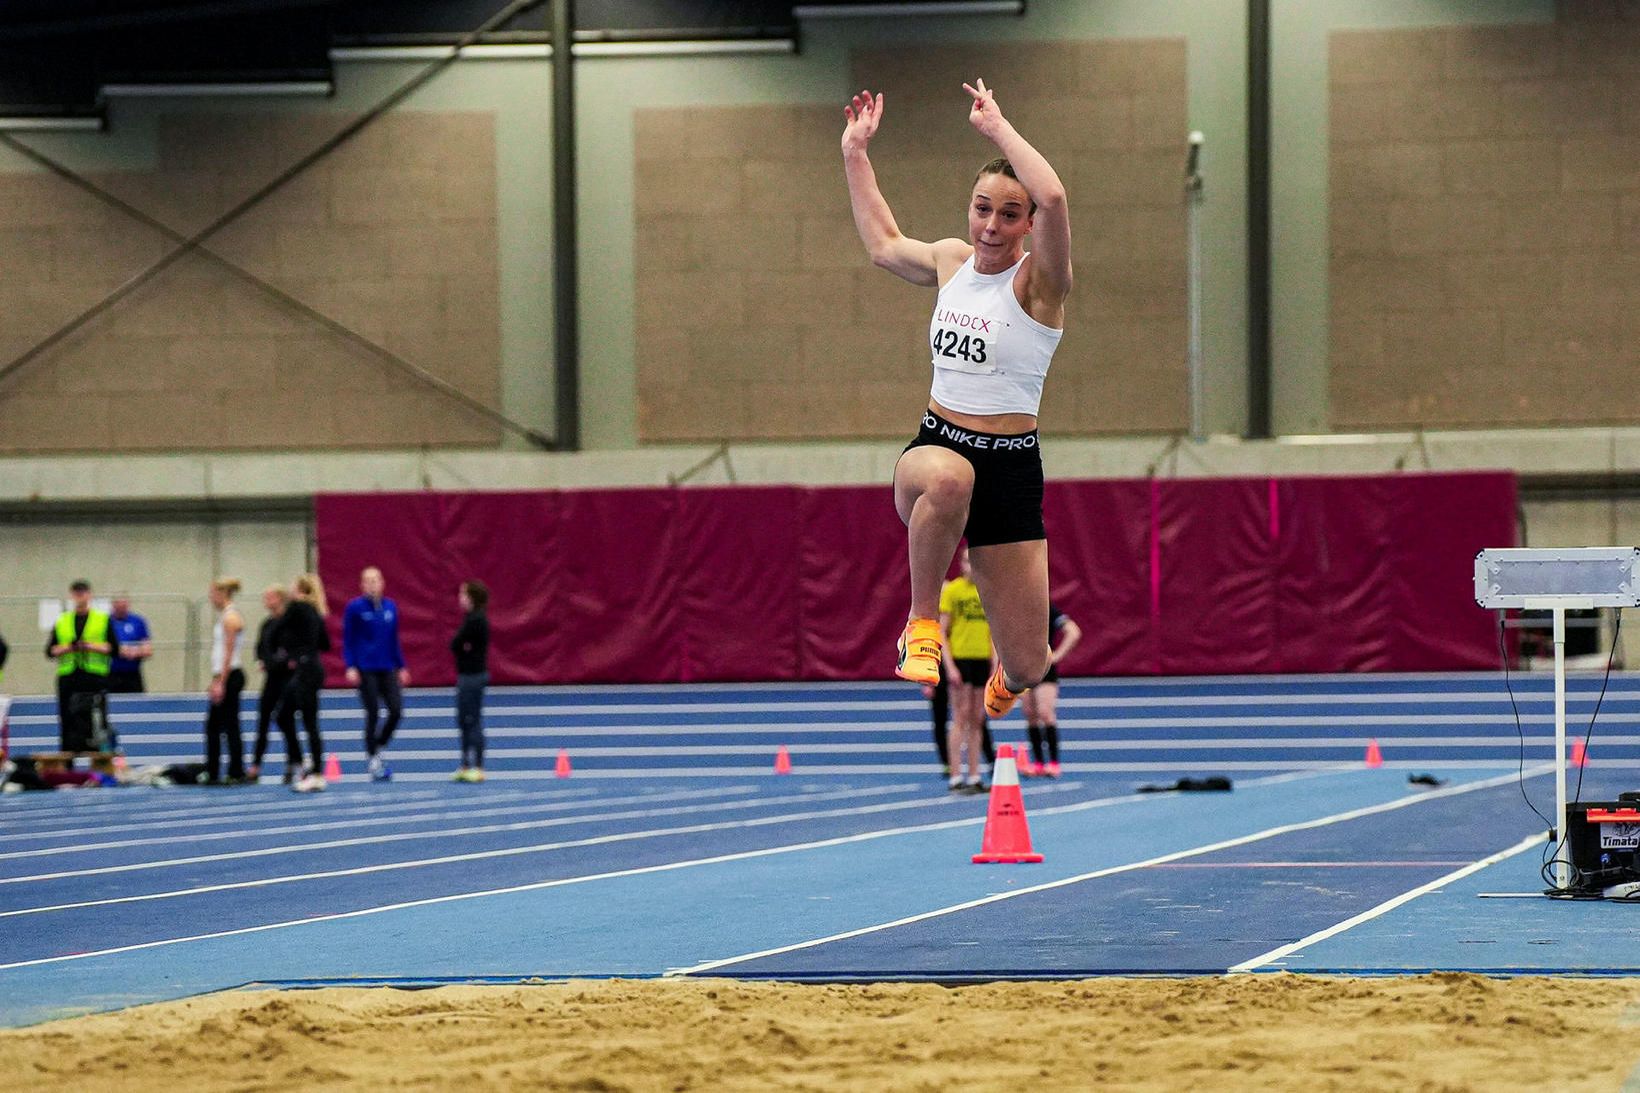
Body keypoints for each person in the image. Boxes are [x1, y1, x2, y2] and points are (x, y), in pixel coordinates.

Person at [841, 78, 1072, 724]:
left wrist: (998, 128)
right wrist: (855, 156)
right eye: (981, 209)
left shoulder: (1040, 288)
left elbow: (1052, 193)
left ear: (1028, 224)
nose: (991, 226)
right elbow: (884, 245)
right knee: (949, 478)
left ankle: (1013, 673)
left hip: (1012, 469)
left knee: (1033, 664)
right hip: (938, 448)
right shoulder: (951, 261)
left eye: (1007, 214)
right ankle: (920, 625)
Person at [342, 566, 408, 782]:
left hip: (387, 667)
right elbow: (348, 639)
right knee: (373, 713)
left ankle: (378, 744)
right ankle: (373, 759)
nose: (372, 584)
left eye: (375, 580)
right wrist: (351, 665)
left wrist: (402, 666)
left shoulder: (390, 607)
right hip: (366, 668)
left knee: (396, 710)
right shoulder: (355, 608)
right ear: (362, 585)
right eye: (367, 581)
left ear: (382, 583)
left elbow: (393, 640)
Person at [939, 548, 993, 793]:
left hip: (981, 657)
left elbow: (994, 631)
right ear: (961, 564)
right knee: (960, 716)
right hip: (961, 658)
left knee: (977, 719)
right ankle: (956, 775)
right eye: (966, 561)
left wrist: (994, 663)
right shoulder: (953, 591)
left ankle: (974, 775)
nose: (970, 566)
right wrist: (949, 666)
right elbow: (942, 630)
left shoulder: (988, 590)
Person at [45, 579, 119, 753]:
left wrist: (90, 645)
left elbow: (114, 648)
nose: (80, 596)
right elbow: (50, 651)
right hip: (69, 676)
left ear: (89, 594)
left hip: (94, 677)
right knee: (67, 719)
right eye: (76, 593)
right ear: (71, 595)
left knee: (96, 719)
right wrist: (69, 647)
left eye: (83, 592)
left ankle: (98, 761)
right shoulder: (62, 620)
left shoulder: (102, 619)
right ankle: (68, 761)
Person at [274, 573, 330, 793]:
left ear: (301, 591)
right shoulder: (316, 612)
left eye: (292, 587)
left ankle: (315, 772)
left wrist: (288, 651)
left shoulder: (297, 607)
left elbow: (276, 630)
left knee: (304, 720)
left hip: (306, 669)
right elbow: (325, 643)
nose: (289, 590)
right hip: (314, 667)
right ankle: (305, 763)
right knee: (289, 716)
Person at [1021, 601, 1082, 778]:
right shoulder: (1016, 609)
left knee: (1045, 712)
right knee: (1030, 714)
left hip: (1045, 668)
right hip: (1024, 666)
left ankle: (1054, 763)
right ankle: (1039, 763)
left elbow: (1074, 632)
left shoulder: (1048, 609)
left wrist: (1057, 656)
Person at [200, 578, 248, 783]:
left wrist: (220, 681)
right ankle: (222, 770)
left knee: (224, 726)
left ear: (222, 594)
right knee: (222, 725)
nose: (210, 598)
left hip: (230, 675)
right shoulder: (226, 617)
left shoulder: (231, 618)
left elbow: (228, 653)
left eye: (212, 594)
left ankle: (231, 771)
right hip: (225, 675)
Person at [248, 584, 296, 784]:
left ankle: (292, 763)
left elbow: (292, 649)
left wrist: (282, 662)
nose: (265, 601)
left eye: (269, 597)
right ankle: (256, 765)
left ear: (280, 599)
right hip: (271, 678)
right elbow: (260, 647)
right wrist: (262, 660)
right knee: (263, 720)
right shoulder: (267, 624)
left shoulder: (290, 624)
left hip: (287, 678)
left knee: (286, 721)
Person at [450, 580, 490, 783]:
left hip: (473, 676)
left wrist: (461, 646)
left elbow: (456, 644)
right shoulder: (470, 618)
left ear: (472, 597)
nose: (460, 598)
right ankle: (465, 764)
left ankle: (479, 767)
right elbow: (458, 644)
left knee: (472, 720)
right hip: (467, 674)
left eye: (463, 594)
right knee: (463, 720)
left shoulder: (477, 620)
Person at [106, 595, 153, 694]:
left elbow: (148, 649)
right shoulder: (106, 622)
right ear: (113, 606)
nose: (122, 609)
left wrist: (133, 652)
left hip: (132, 674)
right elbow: (104, 646)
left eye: (124, 606)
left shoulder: (138, 621)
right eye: (119, 606)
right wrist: (120, 650)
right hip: (111, 674)